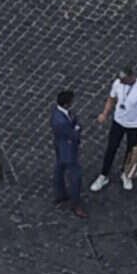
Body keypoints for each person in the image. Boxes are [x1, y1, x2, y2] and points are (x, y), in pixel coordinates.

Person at [91, 66, 137, 192]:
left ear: (131, 77)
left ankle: (126, 173)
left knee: (131, 151)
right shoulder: (118, 84)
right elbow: (111, 99)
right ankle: (104, 175)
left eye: (123, 80)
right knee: (111, 148)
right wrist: (105, 113)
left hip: (134, 125)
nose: (120, 82)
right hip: (118, 122)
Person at [51, 88, 87, 218]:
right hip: (68, 150)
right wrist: (77, 129)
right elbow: (73, 135)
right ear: (66, 104)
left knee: (59, 169)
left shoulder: (58, 113)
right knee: (76, 177)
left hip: (60, 147)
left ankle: (60, 194)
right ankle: (75, 205)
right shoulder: (61, 121)